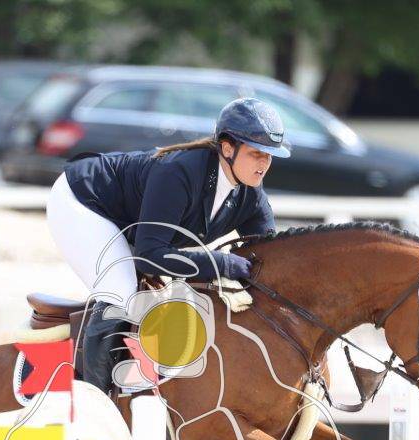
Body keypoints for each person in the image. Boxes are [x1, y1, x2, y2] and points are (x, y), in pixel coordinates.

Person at [45, 97, 290, 394]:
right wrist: (220, 263)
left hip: (131, 223)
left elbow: (270, 257)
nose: (264, 164)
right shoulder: (179, 172)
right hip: (84, 201)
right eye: (255, 154)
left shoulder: (251, 195)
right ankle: (95, 400)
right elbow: (149, 257)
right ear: (227, 148)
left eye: (269, 156)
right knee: (121, 294)